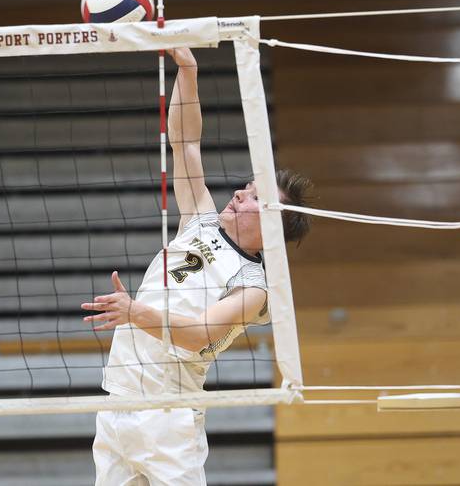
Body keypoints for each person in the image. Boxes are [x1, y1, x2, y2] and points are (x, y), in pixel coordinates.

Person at [82, 47, 312, 485]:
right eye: (244, 187)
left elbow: (198, 336)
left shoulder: (254, 288)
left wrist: (134, 312)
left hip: (169, 414)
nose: (239, 194)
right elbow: (184, 142)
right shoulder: (201, 217)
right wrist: (188, 71)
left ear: (270, 223)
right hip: (118, 400)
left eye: (252, 195)